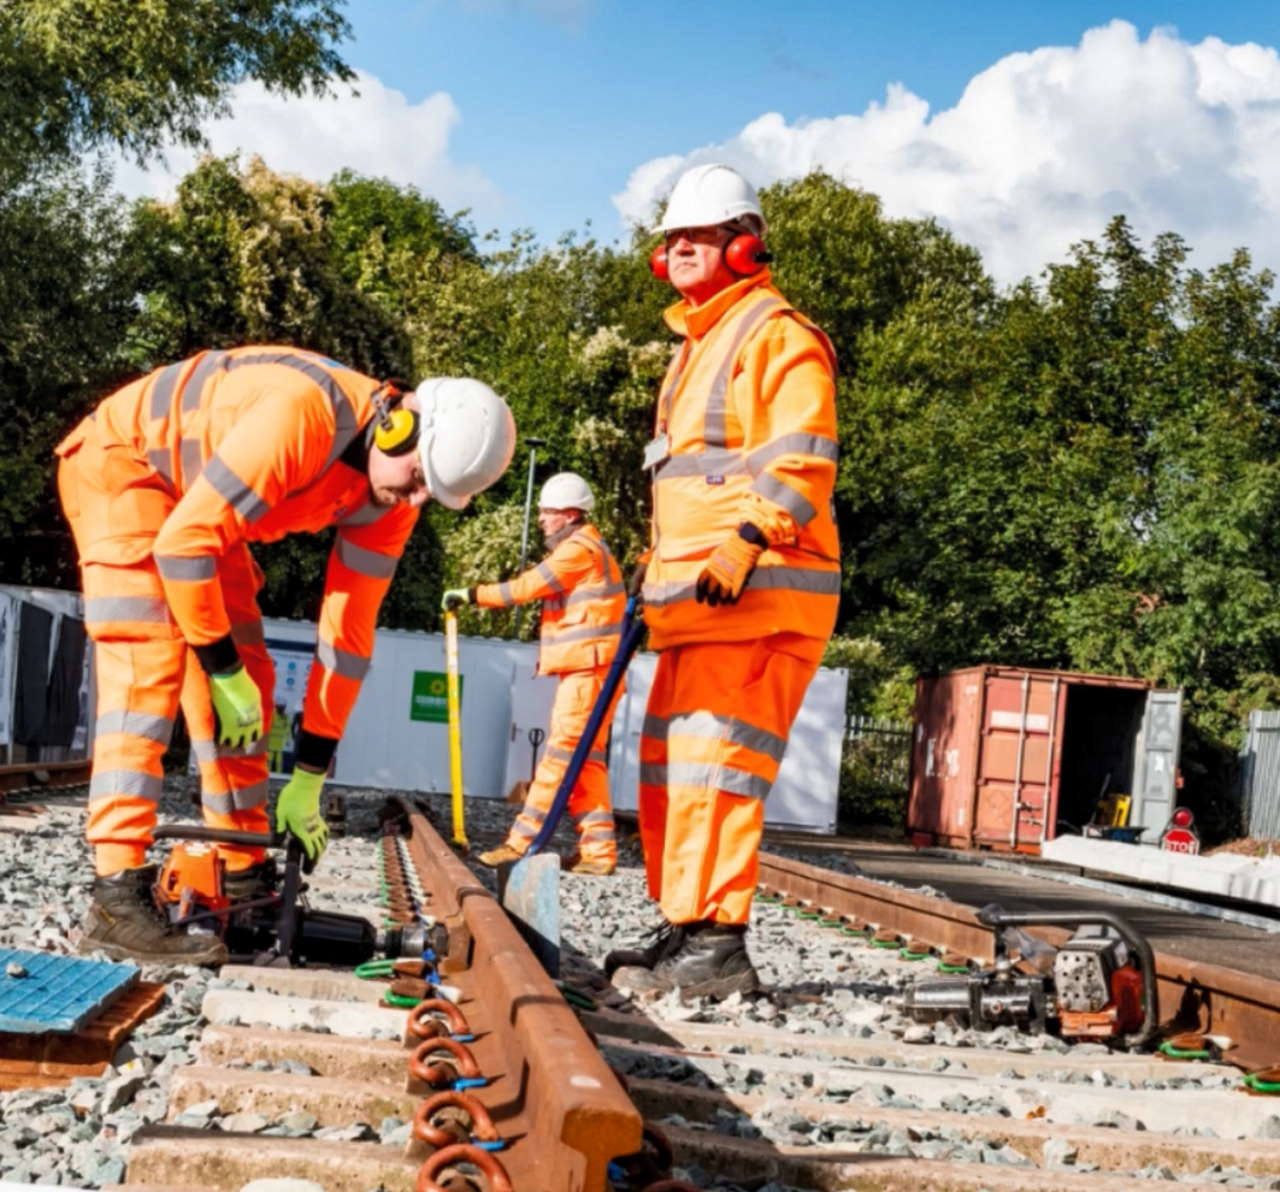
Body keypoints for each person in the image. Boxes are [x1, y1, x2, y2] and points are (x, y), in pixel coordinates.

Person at [56, 347, 515, 963]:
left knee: (254, 679)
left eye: (431, 493)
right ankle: (115, 894)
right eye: (418, 480)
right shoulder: (303, 416)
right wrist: (221, 672)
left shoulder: (388, 499)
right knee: (149, 665)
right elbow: (182, 548)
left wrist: (309, 776)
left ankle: (239, 867)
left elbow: (347, 640)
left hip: (196, 514)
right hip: (125, 469)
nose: (414, 502)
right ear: (399, 425)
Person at [606, 163, 840, 999]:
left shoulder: (777, 335)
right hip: (695, 607)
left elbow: (804, 457)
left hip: (760, 595)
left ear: (744, 246)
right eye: (671, 241)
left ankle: (719, 938)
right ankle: (689, 925)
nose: (680, 252)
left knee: (719, 774)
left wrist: (748, 540)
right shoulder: (697, 348)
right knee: (673, 771)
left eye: (698, 238)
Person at [444, 472, 625, 875]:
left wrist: (472, 595)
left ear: (570, 514)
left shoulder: (578, 550)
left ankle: (520, 844)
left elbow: (524, 589)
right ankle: (599, 854)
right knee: (587, 763)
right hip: (592, 672)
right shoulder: (590, 548)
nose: (542, 519)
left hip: (588, 673)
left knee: (559, 759)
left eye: (548, 512)